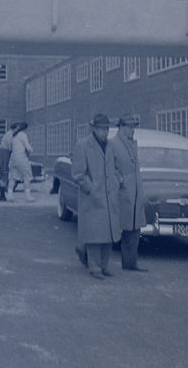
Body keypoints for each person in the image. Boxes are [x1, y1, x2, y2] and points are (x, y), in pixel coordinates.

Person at [71, 114, 121, 280]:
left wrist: (116, 182)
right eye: (101, 128)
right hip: (92, 198)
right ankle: (94, 267)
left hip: (109, 197)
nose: (105, 132)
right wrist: (91, 189)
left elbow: (115, 167)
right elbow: (78, 174)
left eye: (106, 128)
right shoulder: (83, 145)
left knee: (108, 235)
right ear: (93, 128)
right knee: (94, 236)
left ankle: (104, 266)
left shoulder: (111, 145)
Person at [110, 113, 147, 272]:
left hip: (135, 193)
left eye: (134, 127)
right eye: (130, 127)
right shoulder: (112, 144)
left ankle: (130, 263)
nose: (133, 130)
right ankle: (86, 254)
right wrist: (120, 179)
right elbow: (110, 167)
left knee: (134, 229)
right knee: (110, 228)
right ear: (121, 127)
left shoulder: (132, 144)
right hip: (121, 193)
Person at [0, 122, 18, 201]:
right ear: (15, 128)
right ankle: (1, 194)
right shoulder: (10, 134)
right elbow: (10, 146)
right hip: (5, 154)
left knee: (5, 175)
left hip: (6, 154)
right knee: (4, 174)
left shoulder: (10, 134)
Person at [7, 122, 35, 202]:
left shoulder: (14, 135)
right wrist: (31, 148)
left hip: (13, 159)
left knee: (13, 177)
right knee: (27, 176)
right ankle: (27, 196)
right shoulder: (23, 135)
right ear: (26, 128)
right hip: (21, 158)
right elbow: (28, 148)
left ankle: (10, 195)